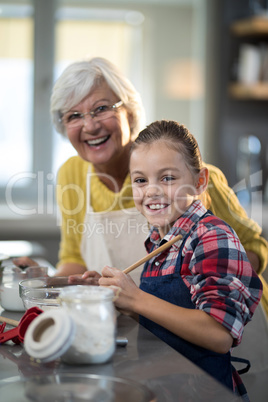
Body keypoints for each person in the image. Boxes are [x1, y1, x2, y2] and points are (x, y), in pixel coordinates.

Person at [13, 57, 268, 311]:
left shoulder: (191, 182)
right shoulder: (71, 174)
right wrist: (48, 282)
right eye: (74, 115)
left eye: (101, 108)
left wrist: (195, 277)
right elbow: (74, 257)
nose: (90, 126)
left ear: (131, 112)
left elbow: (253, 250)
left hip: (217, 323)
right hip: (139, 325)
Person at [96, 120, 263, 400]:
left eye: (167, 178)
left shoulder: (212, 237)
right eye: (141, 180)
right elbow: (166, 316)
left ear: (200, 182)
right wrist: (118, 297)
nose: (152, 191)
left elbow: (218, 334)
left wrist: (136, 298)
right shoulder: (161, 239)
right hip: (164, 389)